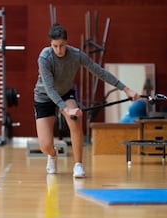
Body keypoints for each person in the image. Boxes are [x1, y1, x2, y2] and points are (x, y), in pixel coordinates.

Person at [33, 23, 140, 178]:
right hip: (44, 96)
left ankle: (78, 165)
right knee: (45, 146)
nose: (59, 50)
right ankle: (53, 155)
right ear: (51, 44)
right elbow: (50, 89)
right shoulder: (45, 57)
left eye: (62, 46)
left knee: (75, 119)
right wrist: (65, 109)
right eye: (55, 46)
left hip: (65, 93)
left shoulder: (76, 55)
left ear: (67, 42)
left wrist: (126, 89)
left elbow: (100, 72)